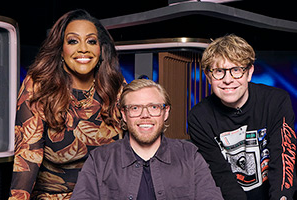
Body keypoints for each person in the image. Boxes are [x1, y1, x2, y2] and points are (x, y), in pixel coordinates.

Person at [9, 9, 125, 199]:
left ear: (100, 49)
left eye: (91, 41)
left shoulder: (116, 87)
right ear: (60, 50)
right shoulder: (39, 87)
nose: (83, 49)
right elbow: (27, 160)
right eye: (73, 41)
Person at [71, 79, 223, 200]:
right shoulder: (100, 160)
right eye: (135, 108)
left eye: (154, 107)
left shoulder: (189, 156)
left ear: (165, 112)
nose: (145, 115)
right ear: (124, 114)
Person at [188, 34, 296, 200]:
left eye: (236, 70)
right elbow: (220, 175)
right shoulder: (199, 117)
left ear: (249, 72)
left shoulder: (276, 101)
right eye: (218, 71)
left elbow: (283, 157)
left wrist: (282, 197)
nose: (228, 80)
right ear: (208, 76)